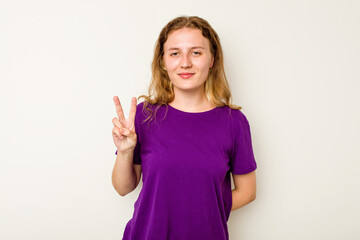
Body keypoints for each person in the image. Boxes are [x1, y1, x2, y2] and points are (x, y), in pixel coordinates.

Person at [111, 16, 257, 240]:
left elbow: (247, 192)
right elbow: (123, 188)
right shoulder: (144, 115)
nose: (185, 62)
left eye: (196, 52)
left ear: (211, 60)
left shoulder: (233, 122)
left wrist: (198, 213)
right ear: (163, 61)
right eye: (175, 53)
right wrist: (125, 151)